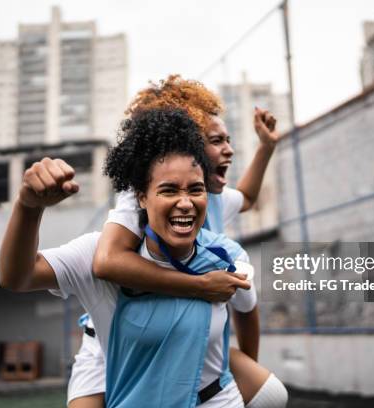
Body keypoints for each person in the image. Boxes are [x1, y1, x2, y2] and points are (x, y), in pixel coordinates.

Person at [93, 75, 286, 407]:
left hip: (190, 332)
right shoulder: (140, 195)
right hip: (114, 341)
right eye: (216, 140)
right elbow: (107, 261)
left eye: (228, 138)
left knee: (270, 396)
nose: (229, 148)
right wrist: (199, 285)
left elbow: (249, 198)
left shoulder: (209, 198)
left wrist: (266, 147)